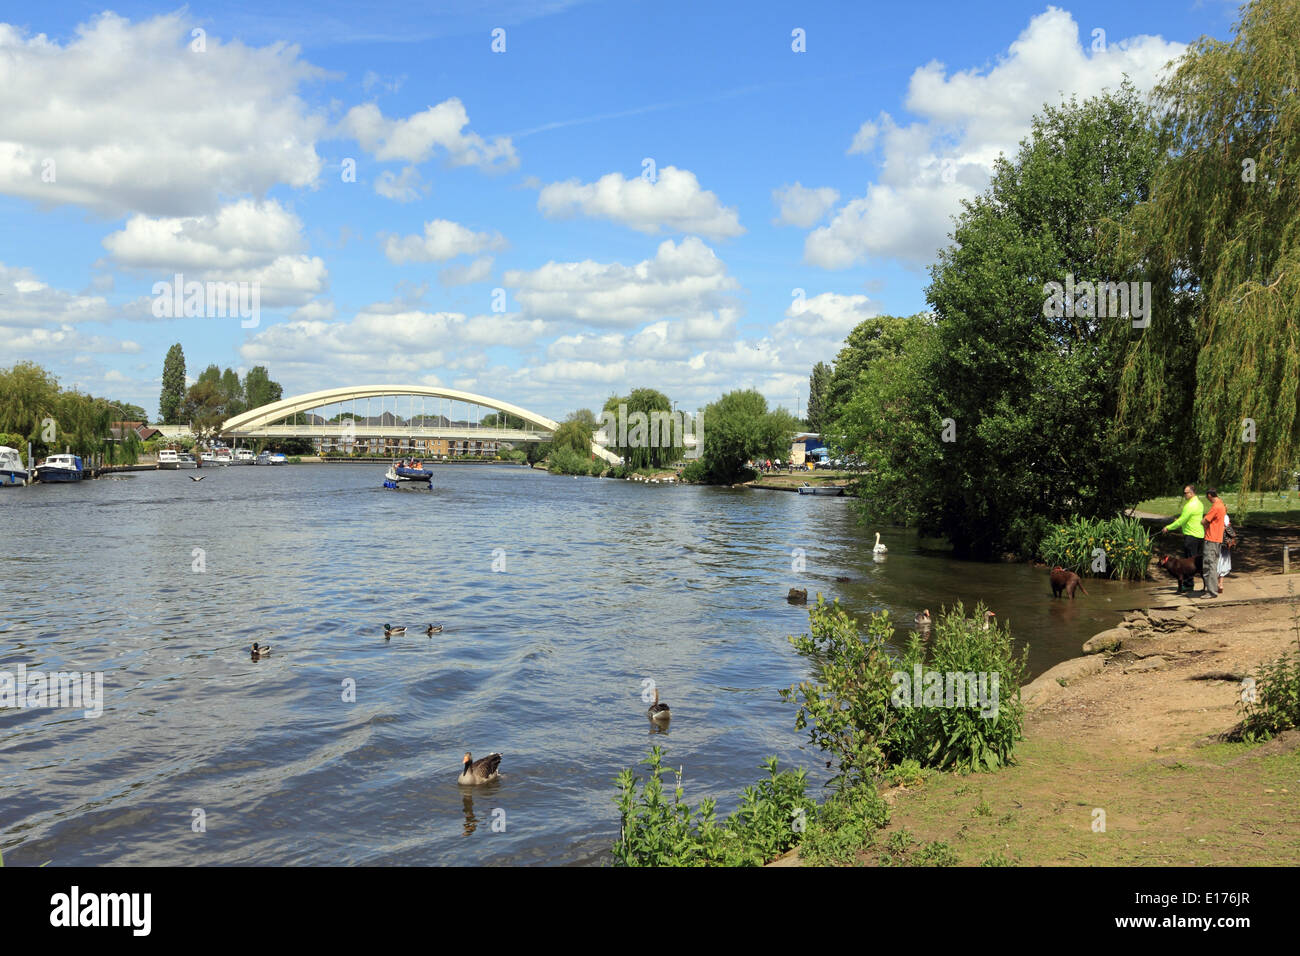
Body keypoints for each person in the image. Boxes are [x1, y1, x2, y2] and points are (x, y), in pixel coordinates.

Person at [1162, 484, 1205, 594]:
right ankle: (1195, 584)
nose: (1184, 495)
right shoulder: (1199, 503)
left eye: (1186, 493)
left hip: (1191, 536)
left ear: (1191, 493)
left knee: (1188, 563)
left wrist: (1168, 527)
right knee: (1196, 562)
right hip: (1200, 535)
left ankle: (1188, 585)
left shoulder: (1190, 506)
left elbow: (1181, 521)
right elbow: (1188, 518)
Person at [1200, 488, 1226, 598]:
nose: (1208, 499)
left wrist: (1204, 524)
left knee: (1209, 565)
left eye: (1207, 497)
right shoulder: (1221, 504)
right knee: (1213, 564)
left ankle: (1211, 592)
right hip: (1217, 539)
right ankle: (1212, 589)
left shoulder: (1215, 506)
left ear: (1210, 495)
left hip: (1211, 539)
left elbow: (1204, 521)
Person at [1218, 513, 1234, 592]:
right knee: (1223, 563)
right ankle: (1220, 584)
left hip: (1217, 542)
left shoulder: (1218, 516)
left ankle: (1215, 584)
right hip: (1225, 543)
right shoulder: (1226, 517)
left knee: (1216, 562)